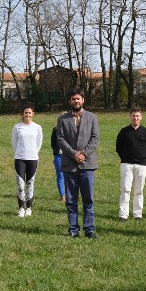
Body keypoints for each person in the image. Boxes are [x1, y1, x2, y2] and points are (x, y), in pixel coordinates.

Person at [56, 88, 100, 239]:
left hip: (87, 165)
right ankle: (73, 229)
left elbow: (95, 139)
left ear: (83, 100)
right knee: (71, 200)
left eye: (78, 99)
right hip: (70, 165)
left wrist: (84, 154)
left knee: (88, 199)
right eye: (73, 99)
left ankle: (89, 229)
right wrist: (74, 154)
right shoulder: (63, 119)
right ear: (70, 101)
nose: (76, 101)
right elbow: (61, 140)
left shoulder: (92, 117)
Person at [116, 108, 146, 221]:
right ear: (130, 117)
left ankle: (138, 214)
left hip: (141, 164)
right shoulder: (124, 131)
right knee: (125, 190)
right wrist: (126, 157)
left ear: (141, 117)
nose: (135, 118)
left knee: (139, 190)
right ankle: (123, 215)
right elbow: (118, 147)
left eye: (137, 116)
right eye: (133, 116)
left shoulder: (145, 132)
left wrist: (141, 157)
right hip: (126, 164)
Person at [12, 105, 42, 217]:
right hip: (20, 158)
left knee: (30, 183)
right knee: (20, 184)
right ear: (22, 114)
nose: (27, 115)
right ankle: (21, 208)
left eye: (29, 113)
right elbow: (14, 142)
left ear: (33, 114)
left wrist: (33, 152)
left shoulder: (37, 127)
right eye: (26, 112)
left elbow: (39, 142)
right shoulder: (17, 127)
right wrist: (20, 152)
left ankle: (29, 207)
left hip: (33, 158)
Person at [50, 112, 67, 202]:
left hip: (69, 156)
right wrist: (57, 150)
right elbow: (53, 143)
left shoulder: (73, 129)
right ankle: (62, 195)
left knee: (69, 176)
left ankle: (69, 195)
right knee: (60, 175)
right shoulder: (55, 130)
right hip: (58, 156)